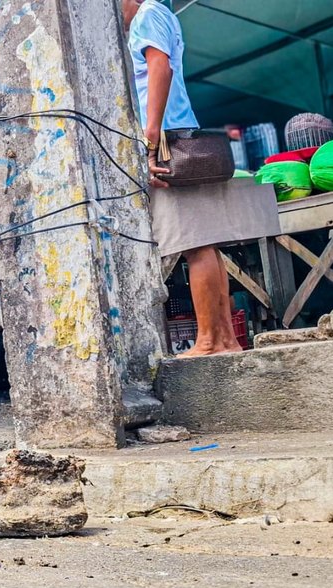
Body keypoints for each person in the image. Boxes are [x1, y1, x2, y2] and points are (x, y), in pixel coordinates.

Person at [122, 0, 240, 357]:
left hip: (169, 136)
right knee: (205, 242)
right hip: (177, 130)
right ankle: (225, 340)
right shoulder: (160, 13)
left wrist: (151, 138)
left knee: (194, 243)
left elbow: (160, 68)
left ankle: (208, 340)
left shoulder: (147, 15)